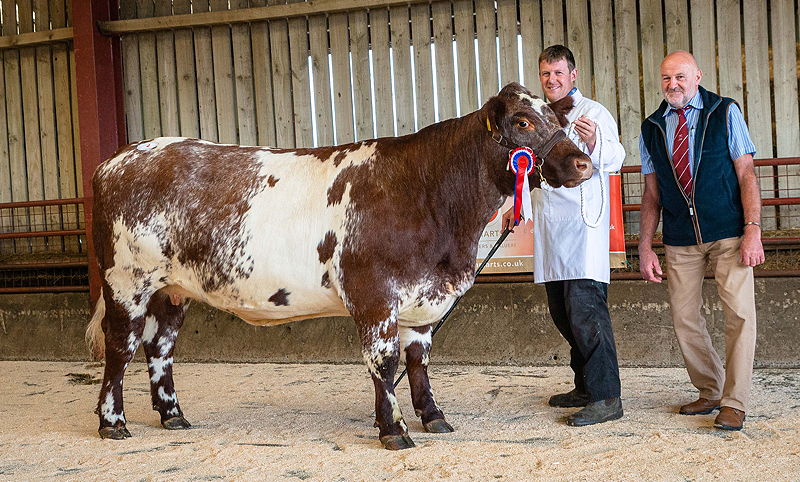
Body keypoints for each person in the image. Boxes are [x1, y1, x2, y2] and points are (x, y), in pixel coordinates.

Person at [638, 51, 763, 431]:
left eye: (679, 77)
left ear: (697, 76)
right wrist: (645, 245)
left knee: (739, 315)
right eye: (665, 78)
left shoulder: (725, 111)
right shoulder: (652, 126)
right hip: (679, 238)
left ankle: (735, 402)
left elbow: (746, 174)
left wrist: (753, 228)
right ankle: (710, 389)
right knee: (684, 318)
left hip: (728, 231)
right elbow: (651, 192)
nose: (672, 85)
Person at [502, 45, 626, 426]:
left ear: (573, 74)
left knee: (587, 313)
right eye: (545, 74)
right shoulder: (538, 116)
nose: (552, 80)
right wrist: (516, 202)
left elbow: (615, 158)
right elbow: (530, 167)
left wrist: (592, 143)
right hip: (552, 230)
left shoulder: (594, 114)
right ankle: (585, 386)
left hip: (583, 228)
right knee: (563, 313)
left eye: (558, 73)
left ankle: (607, 397)